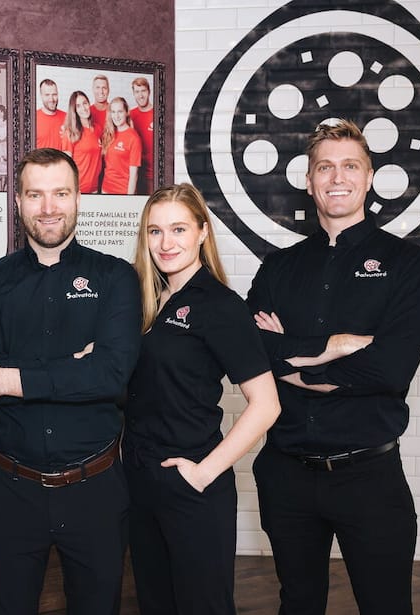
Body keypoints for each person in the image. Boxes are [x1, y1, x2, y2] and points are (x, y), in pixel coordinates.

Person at [246, 119, 420, 615]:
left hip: (368, 476)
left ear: (369, 177)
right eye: (324, 167)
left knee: (386, 605)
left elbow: (390, 370)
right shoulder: (278, 268)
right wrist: (331, 348)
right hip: (286, 474)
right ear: (308, 181)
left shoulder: (408, 264)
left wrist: (294, 358)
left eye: (350, 166)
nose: (337, 177)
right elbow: (250, 356)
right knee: (299, 603)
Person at [0, 148, 142, 615]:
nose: (48, 207)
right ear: (17, 201)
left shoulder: (117, 278)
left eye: (60, 193)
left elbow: (110, 375)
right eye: (35, 194)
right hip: (9, 490)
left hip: (94, 491)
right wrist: (73, 366)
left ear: (78, 198)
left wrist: (8, 378)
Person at [125, 183, 281, 615]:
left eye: (178, 229)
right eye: (155, 232)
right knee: (155, 604)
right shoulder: (147, 302)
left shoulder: (220, 306)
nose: (166, 242)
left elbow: (267, 404)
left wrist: (203, 473)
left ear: (202, 233)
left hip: (191, 484)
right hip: (140, 482)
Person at [60, 90, 102, 194]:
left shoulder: (98, 129)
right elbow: (66, 167)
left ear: (89, 104)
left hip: (95, 187)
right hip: (77, 189)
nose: (83, 108)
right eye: (78, 106)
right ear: (74, 110)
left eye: (85, 103)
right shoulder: (70, 133)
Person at [101, 96, 141, 195]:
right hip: (105, 189)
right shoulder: (109, 133)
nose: (116, 116)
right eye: (113, 112)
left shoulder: (134, 138)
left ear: (127, 112)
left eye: (120, 111)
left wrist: (128, 199)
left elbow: (134, 175)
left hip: (122, 192)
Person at [129, 77, 154, 194]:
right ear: (133, 94)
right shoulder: (130, 115)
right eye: (137, 92)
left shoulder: (158, 113)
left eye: (143, 91)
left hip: (152, 175)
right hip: (136, 173)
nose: (141, 95)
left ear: (149, 92)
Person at [35, 78, 66, 150]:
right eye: (47, 95)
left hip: (61, 161)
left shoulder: (67, 118)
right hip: (40, 161)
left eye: (54, 94)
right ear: (41, 96)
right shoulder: (33, 119)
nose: (51, 99)